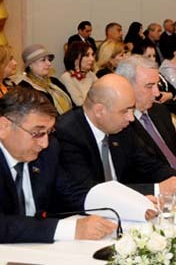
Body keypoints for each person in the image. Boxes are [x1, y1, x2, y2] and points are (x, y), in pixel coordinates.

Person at [0, 87, 117, 243]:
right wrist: (70, 229)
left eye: (49, 132)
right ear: (3, 126)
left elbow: (71, 192)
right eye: (37, 133)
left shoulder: (48, 151)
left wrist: (126, 203)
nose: (45, 143)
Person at [56, 74, 176, 195]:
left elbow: (147, 165)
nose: (131, 118)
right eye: (125, 111)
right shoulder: (67, 134)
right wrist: (155, 189)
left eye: (132, 109)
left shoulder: (121, 127)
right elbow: (89, 192)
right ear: (99, 111)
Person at [116, 56, 176, 170]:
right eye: (149, 86)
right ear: (127, 87)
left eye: (157, 85)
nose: (157, 93)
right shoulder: (121, 124)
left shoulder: (160, 111)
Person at [18, 44, 73, 114]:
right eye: (43, 60)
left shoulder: (54, 81)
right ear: (30, 65)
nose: (49, 63)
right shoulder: (25, 88)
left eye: (49, 60)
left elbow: (72, 105)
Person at [60, 41, 98, 106]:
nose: (92, 59)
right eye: (87, 55)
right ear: (75, 58)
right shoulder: (67, 77)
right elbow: (80, 103)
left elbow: (103, 93)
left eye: (92, 55)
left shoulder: (90, 74)